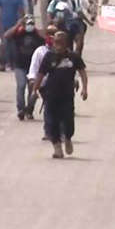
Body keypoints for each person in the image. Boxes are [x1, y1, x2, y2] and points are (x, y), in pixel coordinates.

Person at [32, 31, 88, 159]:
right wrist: (35, 90)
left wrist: (84, 89)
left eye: (61, 43)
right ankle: (57, 148)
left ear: (66, 43)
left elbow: (82, 72)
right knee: (52, 122)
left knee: (68, 121)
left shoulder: (74, 57)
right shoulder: (49, 57)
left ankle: (68, 138)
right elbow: (40, 74)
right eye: (56, 43)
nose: (58, 45)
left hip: (67, 95)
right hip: (51, 95)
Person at [5, 15, 44, 120]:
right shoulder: (19, 33)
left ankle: (30, 110)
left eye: (32, 24)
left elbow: (46, 38)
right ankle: (21, 109)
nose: (30, 26)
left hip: (34, 67)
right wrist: (18, 25)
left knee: (33, 89)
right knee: (21, 86)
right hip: (20, 65)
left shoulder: (37, 35)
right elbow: (7, 36)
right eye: (28, 23)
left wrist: (37, 30)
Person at [27, 24, 57, 133]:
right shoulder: (40, 51)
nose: (52, 37)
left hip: (57, 84)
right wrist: (32, 80)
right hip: (43, 84)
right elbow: (34, 69)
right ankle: (48, 131)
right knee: (48, 107)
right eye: (50, 34)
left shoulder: (62, 52)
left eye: (54, 34)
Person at [0, 0, 25, 73]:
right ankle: (3, 63)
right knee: (3, 44)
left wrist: (19, 23)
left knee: (13, 44)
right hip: (3, 23)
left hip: (13, 24)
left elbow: (21, 12)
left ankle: (12, 63)